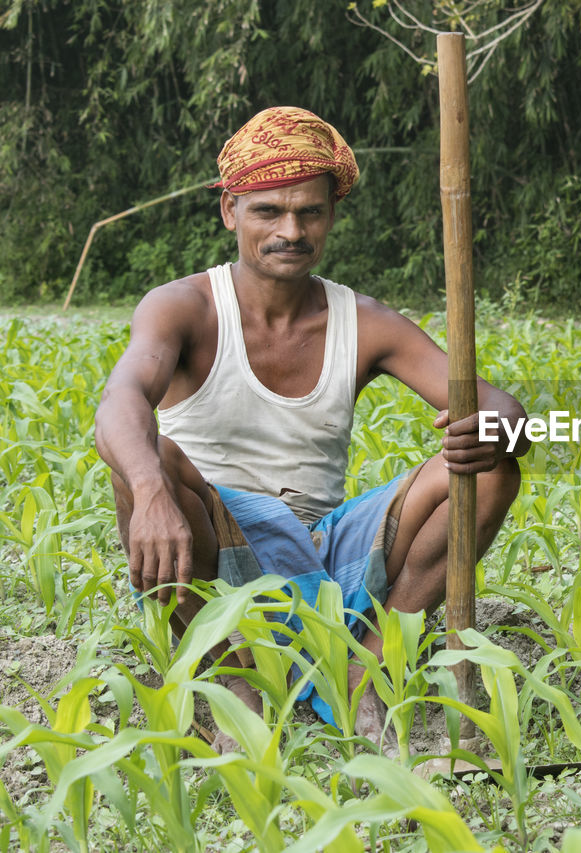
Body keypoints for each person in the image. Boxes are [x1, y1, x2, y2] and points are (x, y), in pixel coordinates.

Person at [94, 106, 526, 754]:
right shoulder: (183, 306)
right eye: (268, 211)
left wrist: (500, 428)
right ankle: (234, 684)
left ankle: (369, 663)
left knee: (493, 468)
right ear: (229, 212)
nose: (290, 230)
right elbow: (121, 398)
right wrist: (151, 491)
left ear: (331, 216)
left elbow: (500, 405)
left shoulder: (365, 321)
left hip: (328, 549)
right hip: (213, 547)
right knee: (148, 457)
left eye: (310, 213)